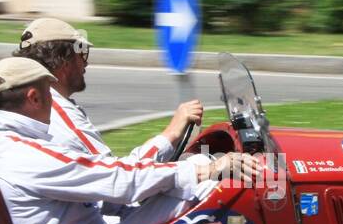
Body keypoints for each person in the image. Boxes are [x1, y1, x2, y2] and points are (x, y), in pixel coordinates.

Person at [0, 56, 261, 224]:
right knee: (207, 190)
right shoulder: (26, 156)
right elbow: (118, 180)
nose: (54, 104)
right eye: (48, 94)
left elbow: (111, 178)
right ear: (33, 97)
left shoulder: (11, 144)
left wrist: (195, 165)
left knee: (195, 170)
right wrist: (207, 170)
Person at [14, 17, 202, 160]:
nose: (86, 63)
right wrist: (172, 132)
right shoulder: (60, 114)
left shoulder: (27, 106)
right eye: (82, 53)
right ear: (64, 61)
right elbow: (122, 178)